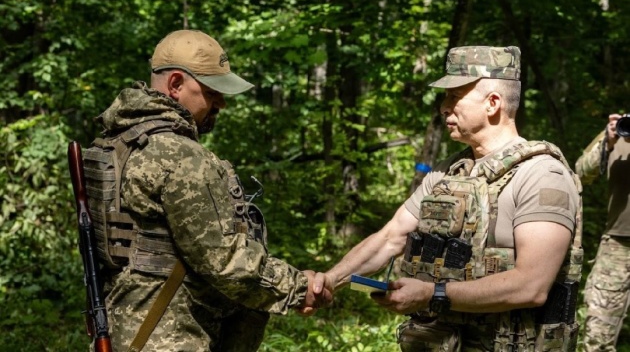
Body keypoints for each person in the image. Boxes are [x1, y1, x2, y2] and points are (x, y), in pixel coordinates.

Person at [311, 46, 583, 351]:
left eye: (454, 97)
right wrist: (331, 280)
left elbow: (532, 286)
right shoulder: (450, 171)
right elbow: (391, 237)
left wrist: (432, 293)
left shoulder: (542, 175)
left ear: (493, 103)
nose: (444, 107)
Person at [81, 29, 330, 351]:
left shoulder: (115, 144)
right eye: (212, 92)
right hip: (173, 333)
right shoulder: (181, 156)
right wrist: (300, 287)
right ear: (175, 85)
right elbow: (224, 260)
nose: (221, 103)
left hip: (124, 323)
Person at [576, 113, 630, 352]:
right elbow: (580, 173)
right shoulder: (621, 129)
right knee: (597, 338)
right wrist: (606, 143)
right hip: (617, 248)